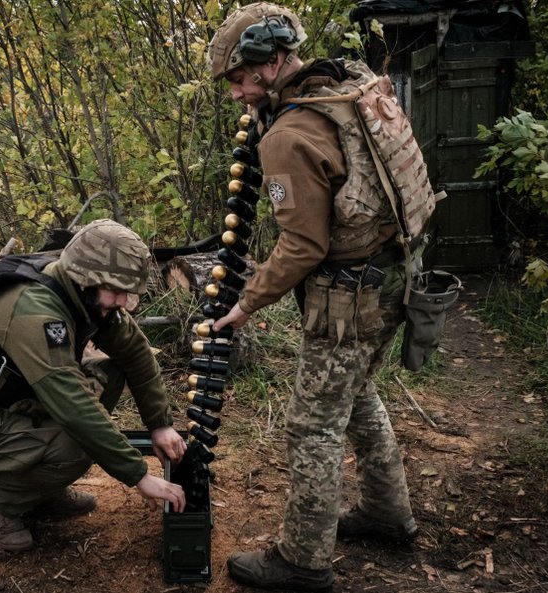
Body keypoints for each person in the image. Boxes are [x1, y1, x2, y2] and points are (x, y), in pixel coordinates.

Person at [207, 3, 424, 591]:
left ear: (274, 63)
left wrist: (248, 300)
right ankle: (386, 512)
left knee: (312, 426)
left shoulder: (291, 134)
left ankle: (301, 561)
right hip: (394, 278)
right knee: (356, 399)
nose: (235, 95)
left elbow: (302, 246)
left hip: (350, 299)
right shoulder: (343, 88)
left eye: (240, 80)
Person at [0, 219, 186, 553]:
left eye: (128, 292)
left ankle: (41, 486)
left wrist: (160, 425)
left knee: (111, 373)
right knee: (78, 444)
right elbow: (74, 406)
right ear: (86, 277)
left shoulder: (84, 296)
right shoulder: (35, 310)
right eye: (117, 290)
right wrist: (139, 475)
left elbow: (135, 352)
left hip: (15, 396)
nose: (123, 301)